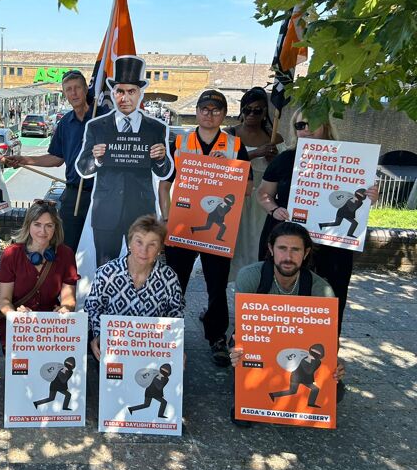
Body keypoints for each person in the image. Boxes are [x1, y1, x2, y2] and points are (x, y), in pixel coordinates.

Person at [256, 109, 378, 332]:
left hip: (332, 246)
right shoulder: (285, 159)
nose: (306, 129)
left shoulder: (350, 159)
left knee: (330, 299)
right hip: (287, 240)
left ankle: (326, 354)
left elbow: (359, 200)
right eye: (300, 126)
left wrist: (371, 197)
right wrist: (274, 210)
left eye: (312, 122)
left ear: (326, 126)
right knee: (280, 296)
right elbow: (263, 193)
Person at [158, 89, 252, 367]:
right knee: (175, 283)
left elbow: (248, 187)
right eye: (205, 109)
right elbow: (165, 183)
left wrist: (227, 176)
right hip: (183, 223)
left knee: (217, 284)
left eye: (216, 110)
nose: (209, 114)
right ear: (197, 111)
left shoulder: (235, 145)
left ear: (224, 114)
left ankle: (216, 336)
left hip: (218, 228)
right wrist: (166, 216)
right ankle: (166, 334)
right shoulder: (181, 142)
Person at [229, 222, 345, 426]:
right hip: (261, 347)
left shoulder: (321, 290)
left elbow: (328, 338)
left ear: (306, 252)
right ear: (271, 249)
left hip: (298, 350)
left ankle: (281, 398)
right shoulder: (250, 276)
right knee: (242, 371)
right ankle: (252, 397)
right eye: (282, 248)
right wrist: (237, 346)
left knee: (335, 393)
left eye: (295, 250)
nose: (288, 257)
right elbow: (243, 327)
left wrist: (334, 365)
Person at [76, 56, 172, 266]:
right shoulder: (97, 126)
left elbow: (165, 172)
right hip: (106, 213)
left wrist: (161, 158)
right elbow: (83, 168)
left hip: (141, 213)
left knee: (142, 267)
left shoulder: (156, 128)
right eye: (120, 91)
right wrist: (96, 158)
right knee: (104, 268)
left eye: (131, 92)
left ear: (140, 94)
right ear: (113, 92)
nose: (125, 98)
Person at [2, 69, 109, 250]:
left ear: (86, 90)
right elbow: (56, 158)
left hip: (105, 194)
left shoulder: (106, 117)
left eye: (77, 88)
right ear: (65, 94)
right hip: (75, 195)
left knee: (102, 249)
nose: (73, 93)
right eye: (68, 89)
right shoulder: (65, 123)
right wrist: (23, 160)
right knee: (68, 249)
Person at [85, 215, 184, 360]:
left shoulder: (169, 278)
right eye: (139, 242)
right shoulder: (107, 273)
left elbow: (176, 314)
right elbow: (93, 307)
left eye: (152, 244)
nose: (144, 250)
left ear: (160, 248)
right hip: (113, 347)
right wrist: (99, 336)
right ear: (130, 242)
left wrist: (177, 347)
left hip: (151, 349)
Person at [0, 200, 78, 349]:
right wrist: (15, 316)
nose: (43, 231)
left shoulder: (66, 254)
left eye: (49, 226)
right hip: (17, 325)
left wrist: (66, 308)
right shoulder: (12, 254)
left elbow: (69, 298)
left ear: (55, 228)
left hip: (50, 326)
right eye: (37, 224)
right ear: (28, 225)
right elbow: (4, 300)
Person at [225, 87, 285, 280]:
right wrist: (255, 153)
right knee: (235, 240)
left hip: (262, 196)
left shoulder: (274, 137)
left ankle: (256, 280)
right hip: (237, 194)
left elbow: (279, 171)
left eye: (257, 110)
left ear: (265, 112)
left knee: (257, 238)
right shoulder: (230, 134)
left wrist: (273, 159)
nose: (251, 114)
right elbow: (225, 164)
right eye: (247, 110)